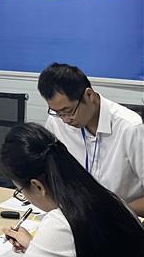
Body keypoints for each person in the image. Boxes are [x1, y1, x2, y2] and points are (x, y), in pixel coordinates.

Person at [0, 123, 144, 257]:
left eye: (21, 191)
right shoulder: (110, 199)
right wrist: (36, 247)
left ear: (37, 186)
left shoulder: (60, 224)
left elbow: (65, 238)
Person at [37, 62, 144, 215]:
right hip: (76, 213)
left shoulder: (131, 128)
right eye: (58, 113)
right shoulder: (56, 122)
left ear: (89, 95)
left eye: (69, 111)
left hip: (122, 219)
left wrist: (116, 211)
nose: (65, 120)